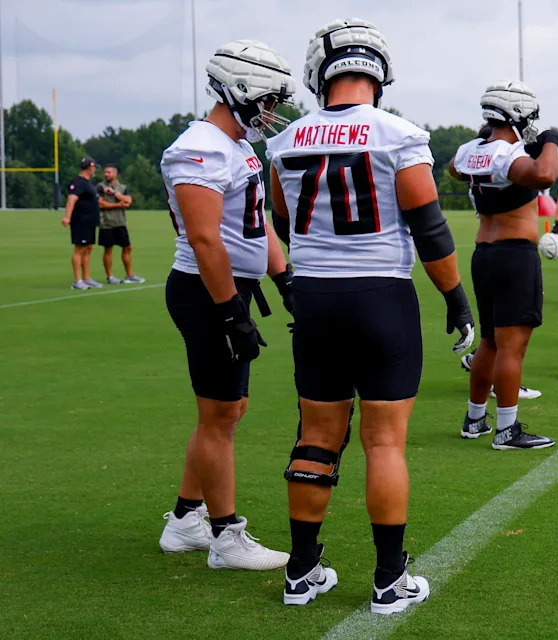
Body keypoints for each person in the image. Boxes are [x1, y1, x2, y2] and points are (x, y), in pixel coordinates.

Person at [268, 19, 475, 612]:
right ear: (378, 73)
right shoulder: (400, 133)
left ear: (318, 74)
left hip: (315, 299)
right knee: (384, 444)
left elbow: (284, 221)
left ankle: (301, 572)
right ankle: (389, 580)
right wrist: (455, 298)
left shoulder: (284, 141)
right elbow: (429, 228)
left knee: (316, 436)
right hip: (381, 296)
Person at [158, 40, 297, 572]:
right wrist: (230, 312)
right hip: (206, 291)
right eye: (267, 99)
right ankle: (224, 537)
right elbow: (205, 240)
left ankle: (185, 519)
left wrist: (283, 279)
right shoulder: (201, 146)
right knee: (219, 415)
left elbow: (255, 224)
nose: (271, 110)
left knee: (227, 410)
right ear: (238, 89)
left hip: (226, 289)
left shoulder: (235, 145)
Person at [449, 80, 558, 449]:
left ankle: (475, 418)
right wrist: (552, 139)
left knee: (490, 341)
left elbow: (455, 168)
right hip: (514, 255)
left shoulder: (471, 150)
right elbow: (545, 173)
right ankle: (508, 430)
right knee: (512, 346)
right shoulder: (508, 154)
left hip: (484, 253)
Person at [97, 164, 145, 284]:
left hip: (120, 222)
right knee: (108, 249)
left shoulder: (122, 187)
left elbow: (128, 200)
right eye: (105, 172)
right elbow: (100, 204)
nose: (106, 174)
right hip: (106, 222)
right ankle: (110, 277)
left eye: (108, 172)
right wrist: (118, 205)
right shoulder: (100, 187)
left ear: (115, 173)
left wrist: (114, 194)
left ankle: (129, 275)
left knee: (127, 247)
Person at [61, 157, 102, 289]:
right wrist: (67, 217)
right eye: (94, 167)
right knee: (79, 249)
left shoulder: (87, 182)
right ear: (90, 167)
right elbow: (71, 200)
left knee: (88, 248)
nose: (95, 169)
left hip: (90, 221)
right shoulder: (79, 182)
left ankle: (86, 278)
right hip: (81, 221)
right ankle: (77, 280)